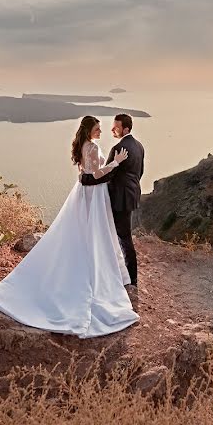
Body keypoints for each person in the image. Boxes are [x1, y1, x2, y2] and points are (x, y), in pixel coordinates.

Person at [0, 116, 139, 338]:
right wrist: (115, 163)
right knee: (94, 232)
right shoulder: (93, 147)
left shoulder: (82, 146)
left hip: (84, 192)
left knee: (83, 231)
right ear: (89, 130)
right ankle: (92, 270)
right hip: (93, 195)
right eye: (97, 129)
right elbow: (95, 175)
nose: (100, 132)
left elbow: (84, 173)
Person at [79, 113, 144, 303]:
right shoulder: (138, 145)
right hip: (130, 196)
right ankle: (123, 274)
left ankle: (131, 279)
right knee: (121, 236)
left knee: (123, 237)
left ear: (125, 129)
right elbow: (140, 172)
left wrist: (85, 179)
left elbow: (107, 174)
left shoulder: (119, 147)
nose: (111, 130)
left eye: (115, 127)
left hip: (119, 198)